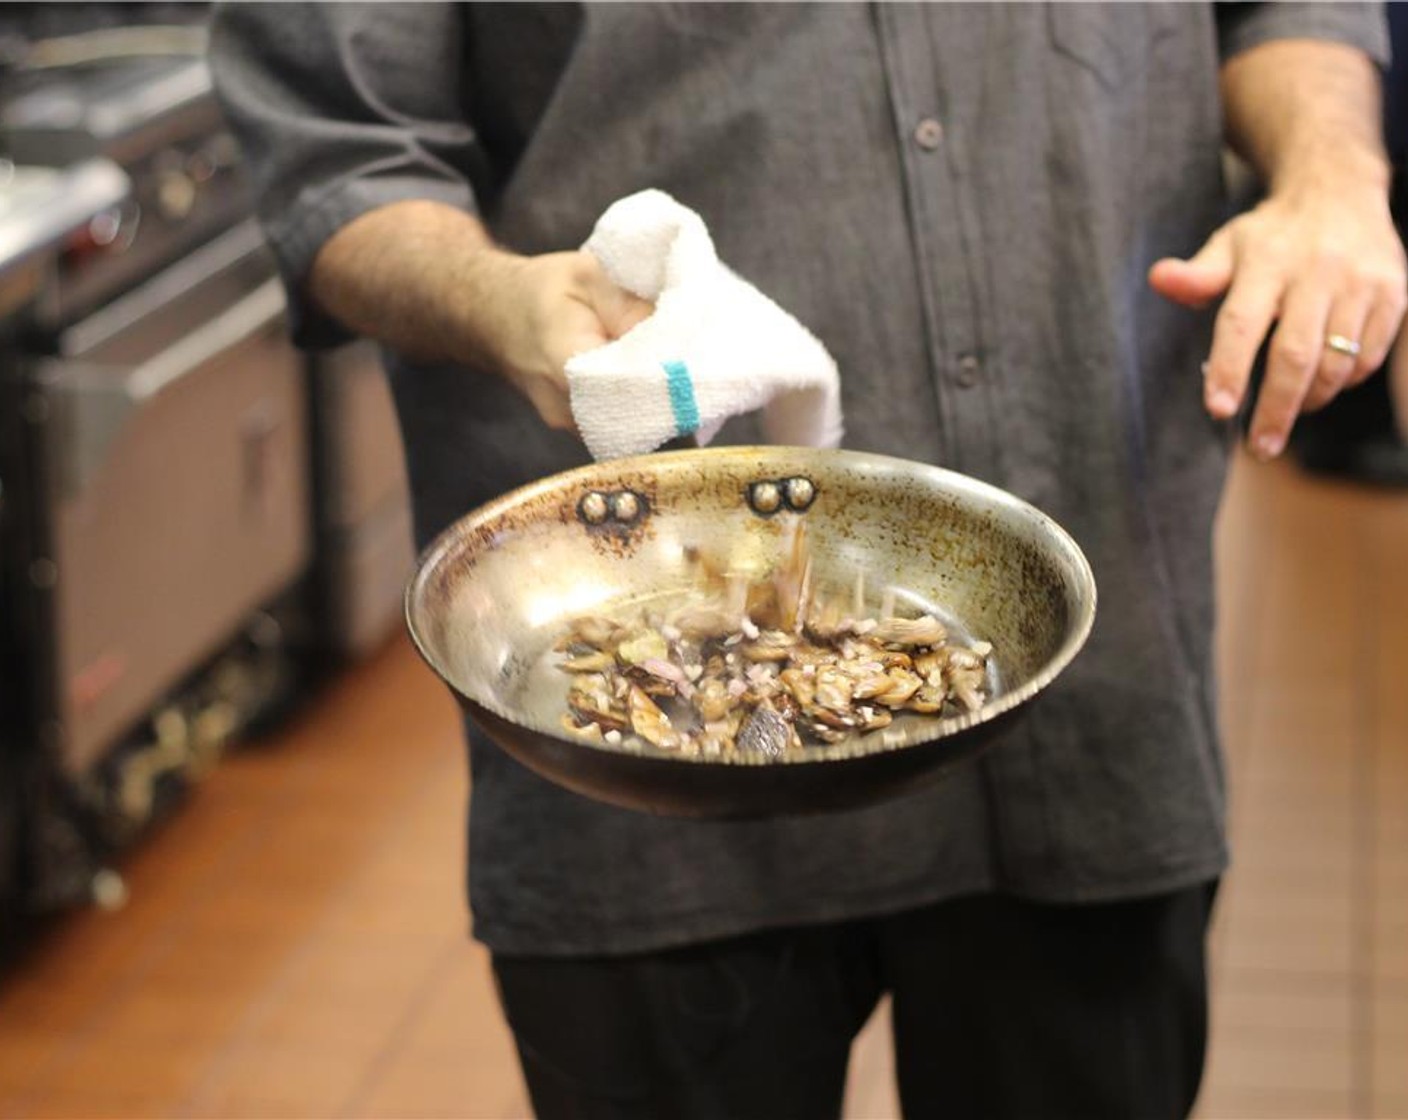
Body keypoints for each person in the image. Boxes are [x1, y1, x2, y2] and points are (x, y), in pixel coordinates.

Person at [209, 5, 1401, 1118]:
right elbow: (341, 155)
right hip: (638, 719)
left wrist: (1336, 175)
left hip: (1089, 678)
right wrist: (503, 299)